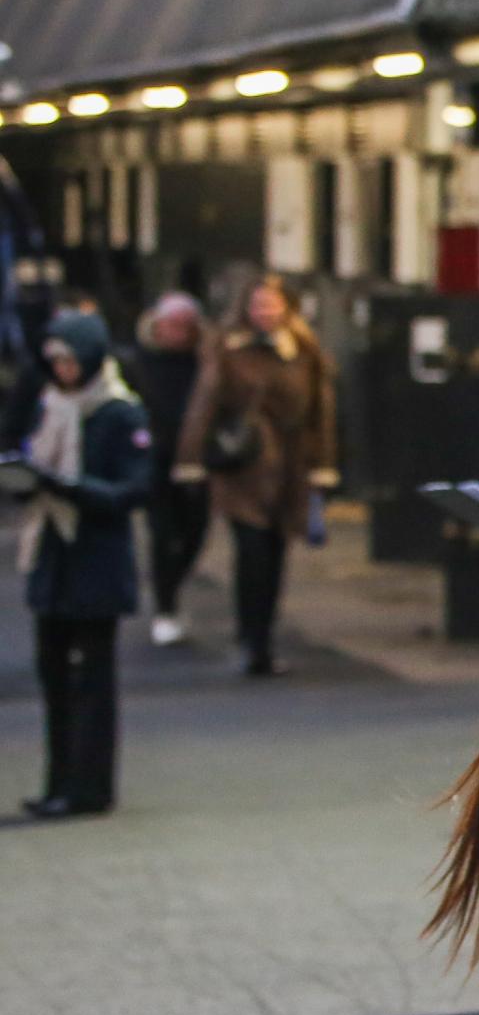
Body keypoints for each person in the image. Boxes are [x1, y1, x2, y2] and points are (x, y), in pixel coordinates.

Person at [12, 309, 151, 817]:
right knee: (54, 678)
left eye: (71, 361)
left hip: (96, 563)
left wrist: (71, 488)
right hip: (53, 558)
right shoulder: (50, 405)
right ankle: (58, 782)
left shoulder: (120, 413)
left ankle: (89, 787)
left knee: (92, 683)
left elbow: (133, 489)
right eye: (56, 362)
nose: (64, 371)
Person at [176, 275, 335, 678]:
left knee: (277, 554)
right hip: (242, 467)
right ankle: (250, 640)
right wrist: (190, 460)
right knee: (251, 554)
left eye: (272, 305)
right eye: (258, 305)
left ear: (287, 308)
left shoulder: (304, 351)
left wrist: (323, 466)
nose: (265, 312)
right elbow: (204, 402)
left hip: (290, 470)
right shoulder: (228, 348)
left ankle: (262, 637)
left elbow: (321, 411)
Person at [130, 293, 212, 646]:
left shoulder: (206, 361)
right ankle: (166, 605)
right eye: (172, 325)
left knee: (195, 531)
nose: (178, 333)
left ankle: (171, 585)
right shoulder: (138, 361)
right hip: (154, 460)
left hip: (195, 459)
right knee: (163, 534)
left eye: (186, 326)